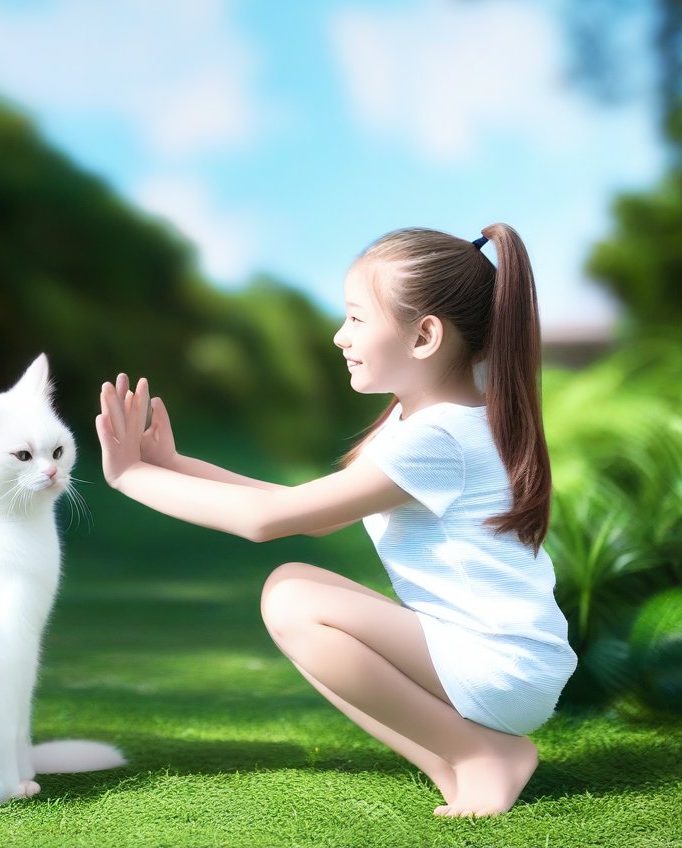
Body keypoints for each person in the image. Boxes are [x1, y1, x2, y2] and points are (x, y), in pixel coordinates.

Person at [95, 223, 577, 818]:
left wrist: (131, 478)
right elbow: (312, 513)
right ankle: (457, 760)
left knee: (292, 596)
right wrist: (175, 465)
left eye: (356, 318)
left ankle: (481, 755)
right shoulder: (424, 423)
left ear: (425, 335)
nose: (339, 335)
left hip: (498, 666)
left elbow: (265, 520)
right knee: (299, 606)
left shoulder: (439, 437)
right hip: (500, 662)